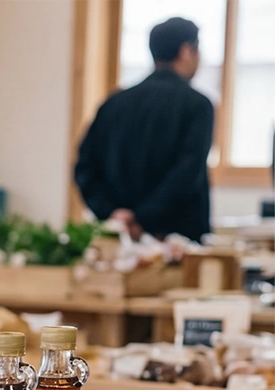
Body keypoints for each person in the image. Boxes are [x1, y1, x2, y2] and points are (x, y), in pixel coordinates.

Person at [74, 17, 213, 241]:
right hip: (177, 243)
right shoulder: (197, 105)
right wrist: (142, 217)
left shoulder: (113, 104)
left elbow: (85, 167)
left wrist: (112, 213)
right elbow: (188, 172)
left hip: (120, 239)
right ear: (186, 50)